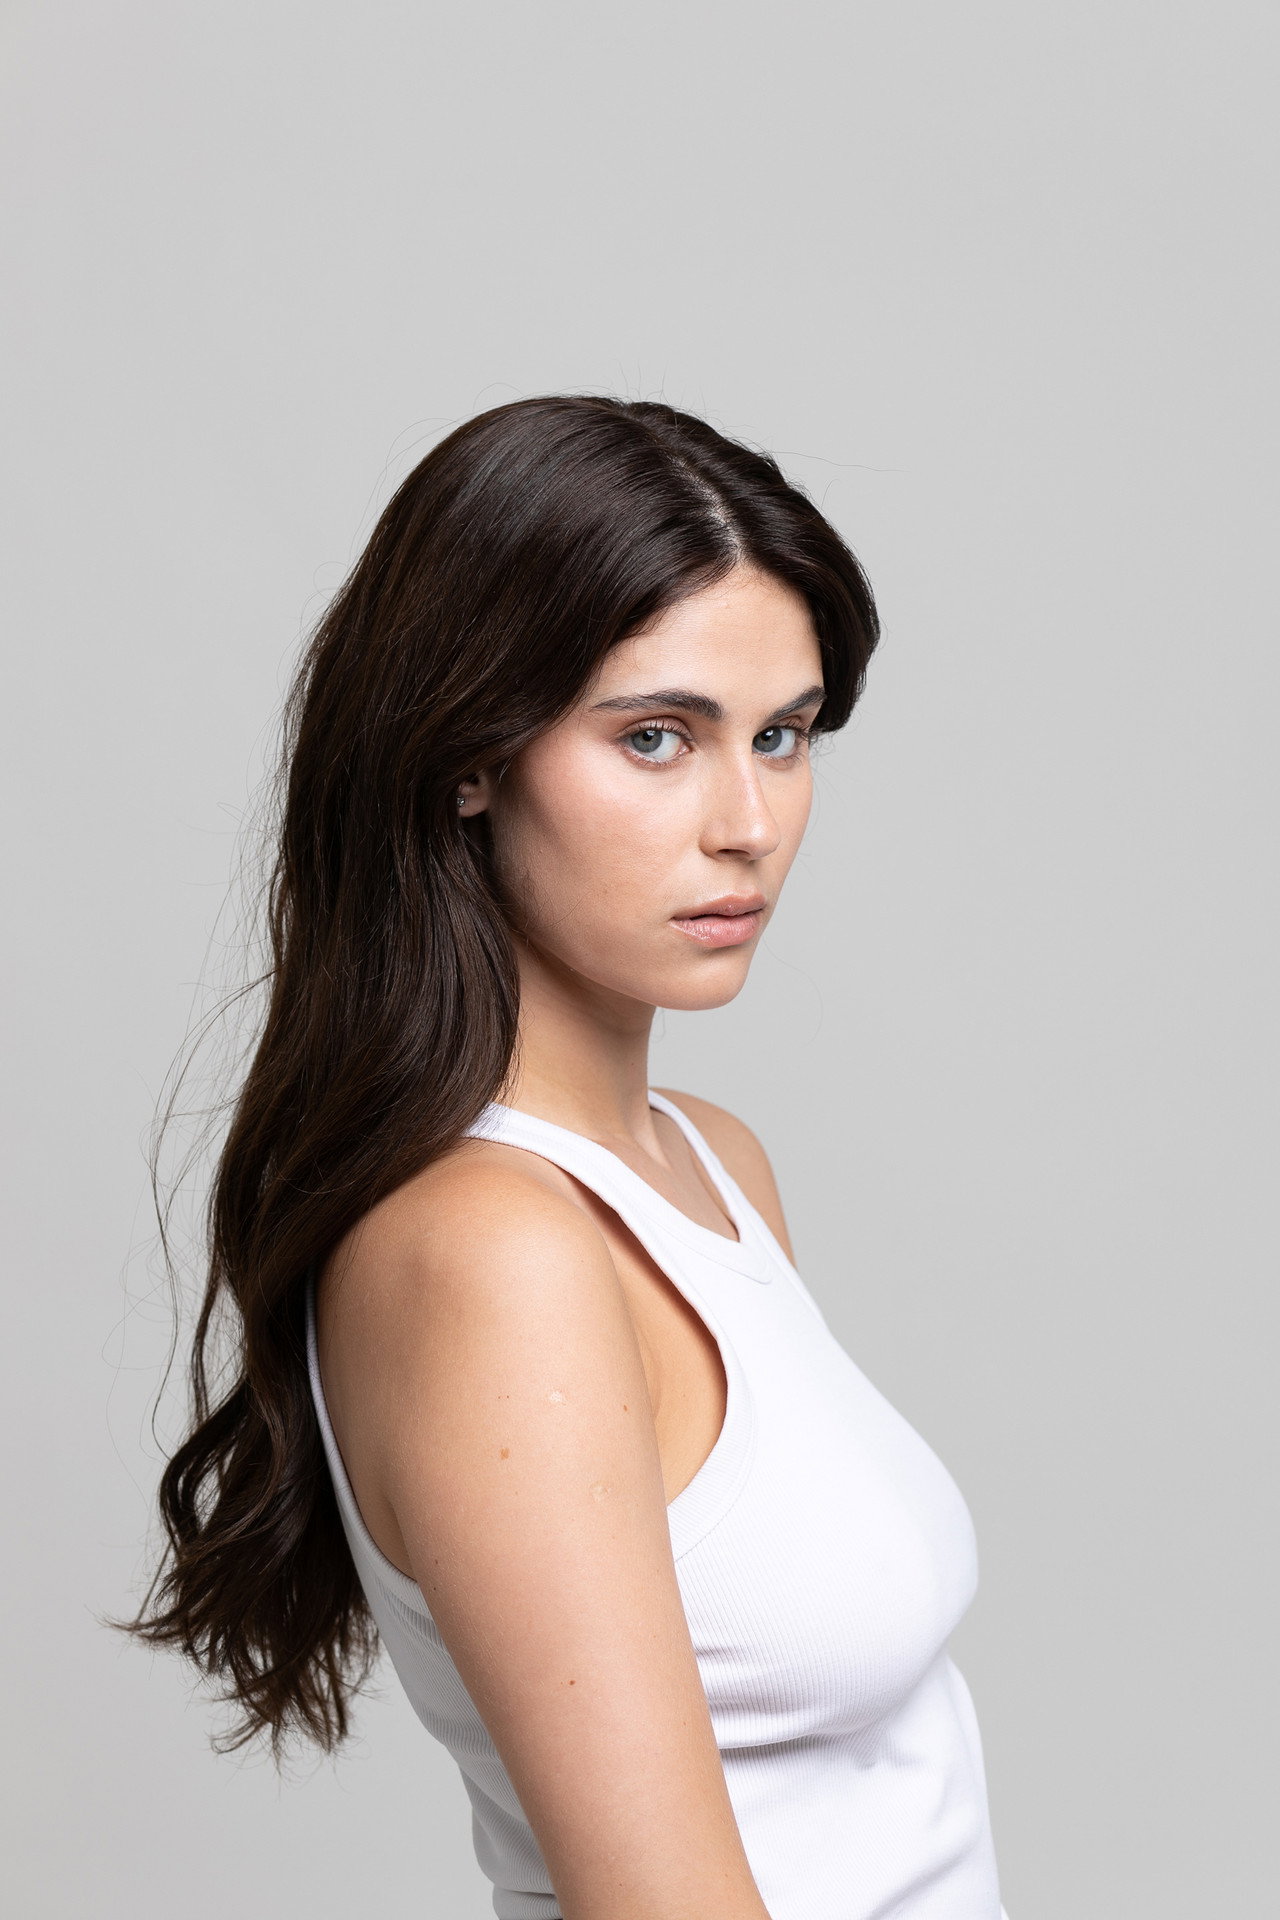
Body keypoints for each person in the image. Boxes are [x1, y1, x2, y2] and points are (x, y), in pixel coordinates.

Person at [122, 395, 1010, 1919]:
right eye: (656, 738)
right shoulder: (492, 1250)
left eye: (783, 736)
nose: (749, 823)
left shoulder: (709, 1165)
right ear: (469, 755)